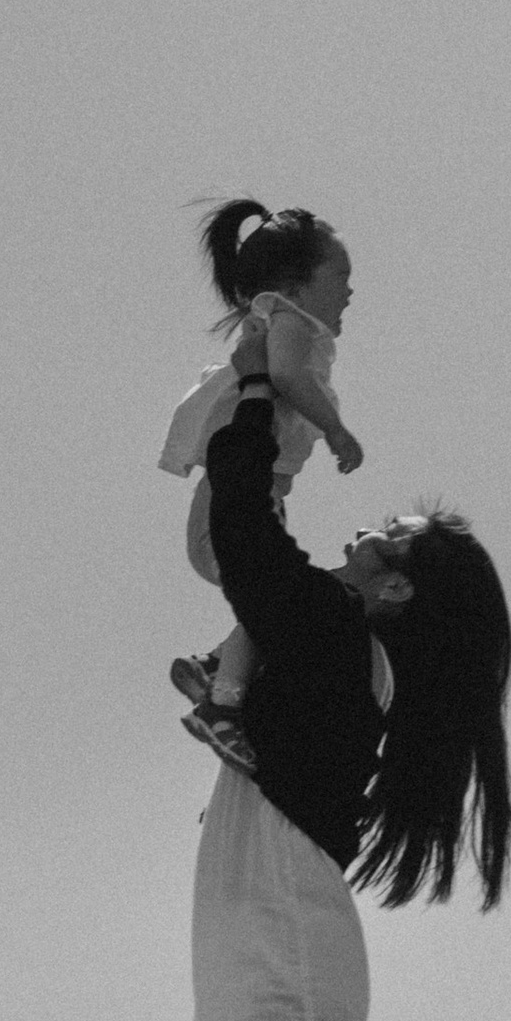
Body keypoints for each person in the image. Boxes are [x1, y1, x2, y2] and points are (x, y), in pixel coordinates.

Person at [157, 330, 511, 1021]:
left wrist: (262, 393)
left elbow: (242, 539)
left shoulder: (332, 637)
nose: (361, 532)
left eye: (382, 537)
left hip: (282, 949)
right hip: (274, 940)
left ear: (392, 589)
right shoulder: (332, 648)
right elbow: (249, 552)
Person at [159, 198, 365, 767]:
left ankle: (215, 668)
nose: (350, 291)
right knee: (276, 594)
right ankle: (222, 706)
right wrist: (337, 431)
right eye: (340, 275)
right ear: (297, 286)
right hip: (239, 504)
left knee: (274, 596)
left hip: (242, 500)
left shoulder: (285, 320)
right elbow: (286, 375)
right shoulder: (290, 323)